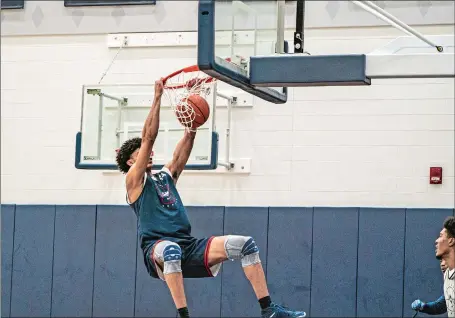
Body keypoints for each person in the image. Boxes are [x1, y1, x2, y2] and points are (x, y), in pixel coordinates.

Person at [115, 79, 307, 318]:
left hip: (188, 244)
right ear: (132, 162)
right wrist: (157, 97)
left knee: (245, 244)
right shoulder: (134, 182)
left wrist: (192, 125)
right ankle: (184, 315)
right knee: (171, 250)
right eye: (141, 154)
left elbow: (184, 146)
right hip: (157, 248)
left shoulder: (166, 176)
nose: (149, 154)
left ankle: (268, 309)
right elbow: (148, 139)